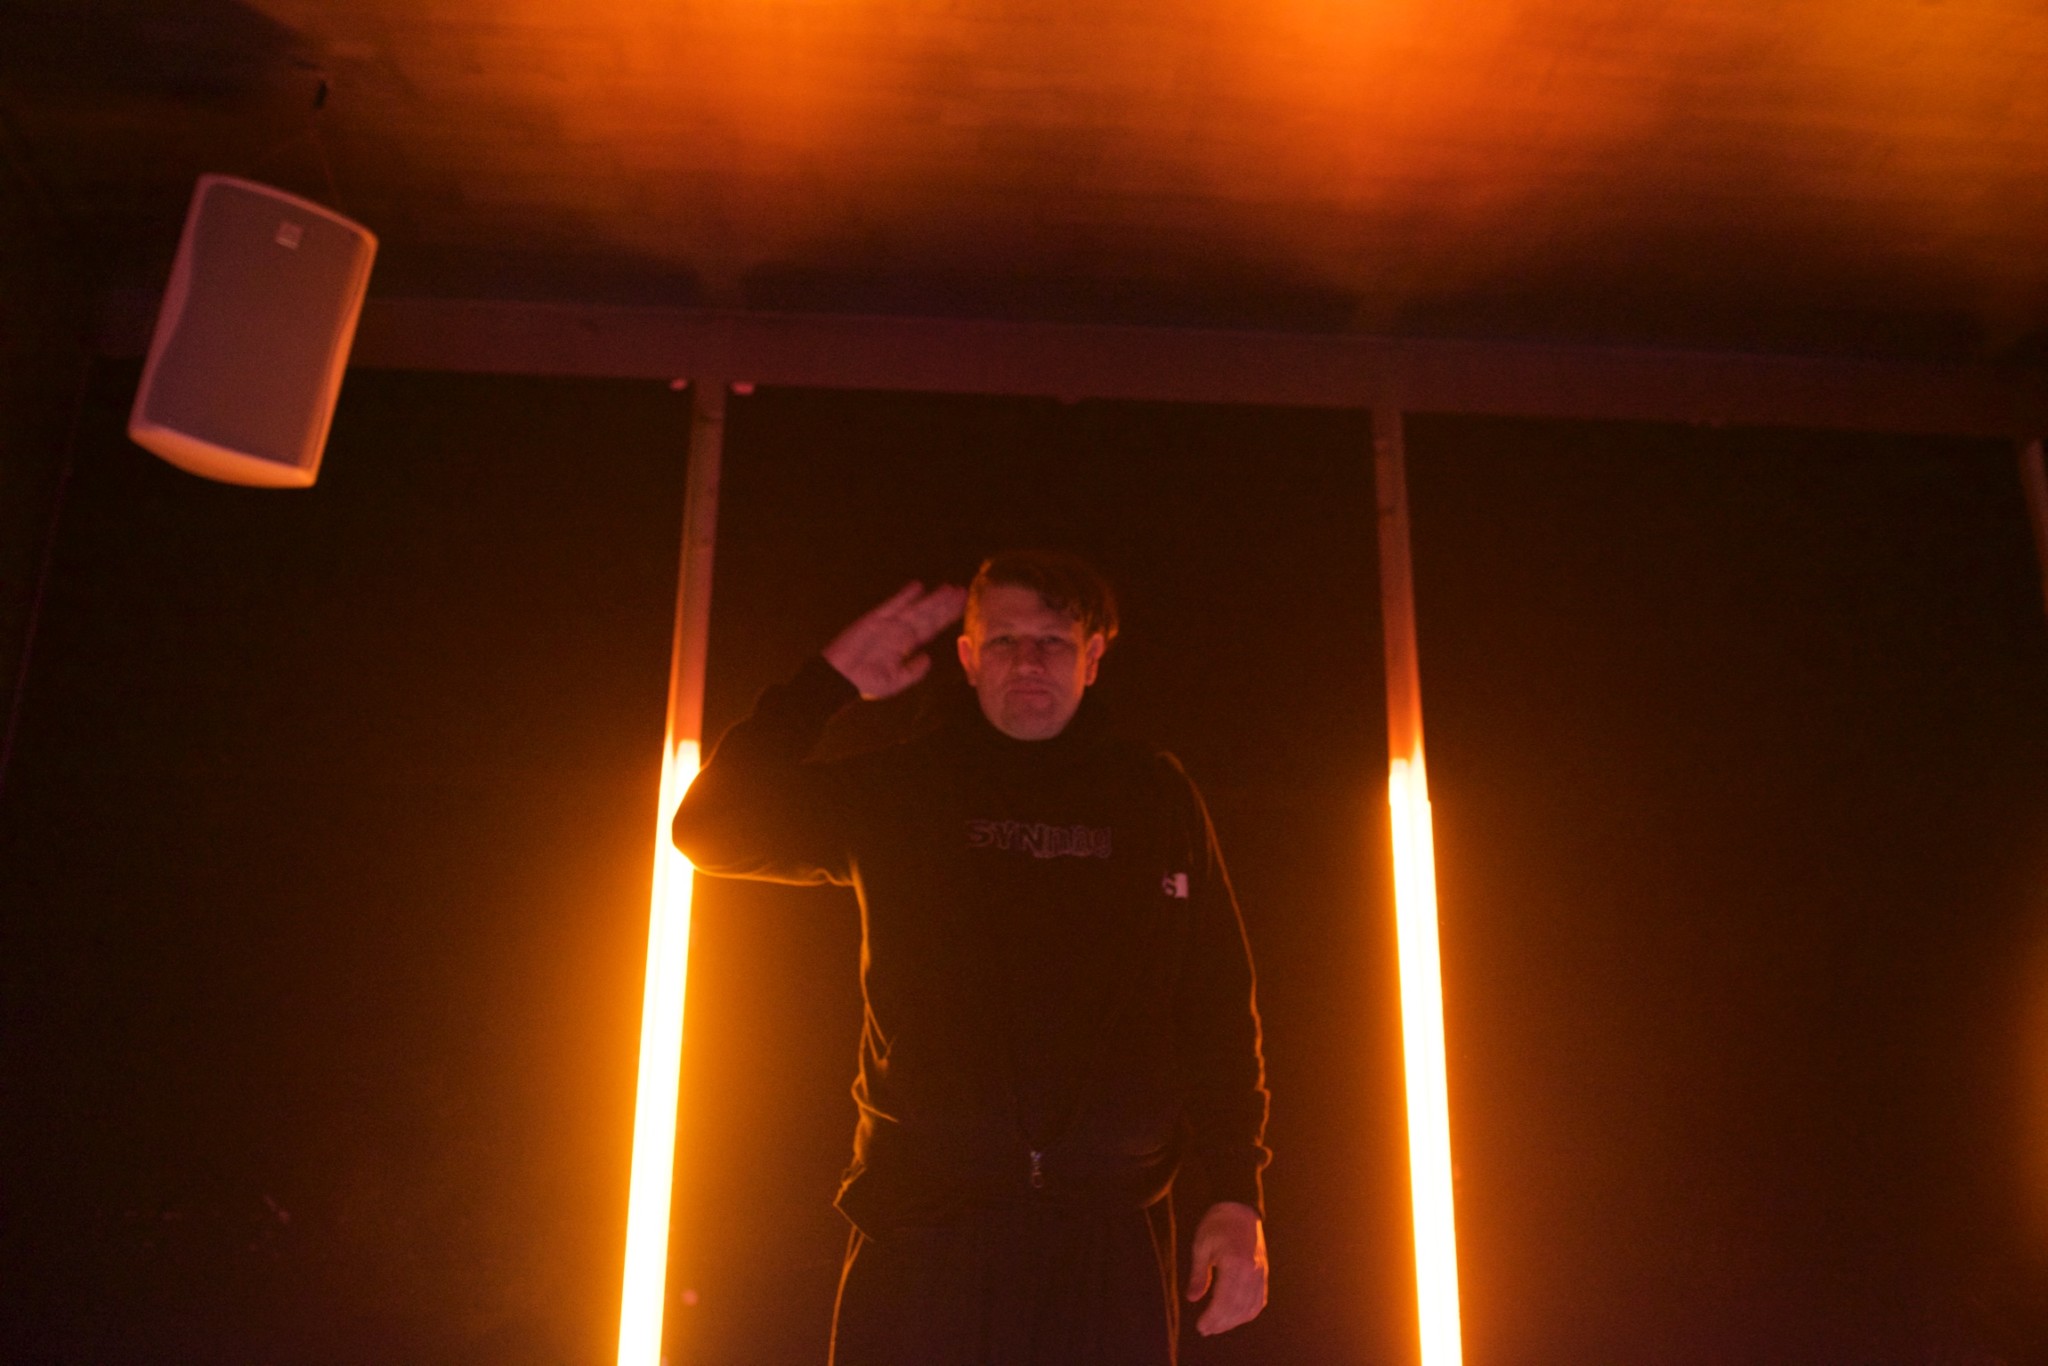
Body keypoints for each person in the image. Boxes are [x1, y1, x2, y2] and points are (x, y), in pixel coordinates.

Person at [672, 550, 1269, 1366]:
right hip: (924, 1234)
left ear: (1094, 656)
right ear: (967, 656)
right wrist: (827, 683)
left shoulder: (1155, 798)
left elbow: (1216, 1007)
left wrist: (1236, 1192)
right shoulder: (905, 790)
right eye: (1004, 642)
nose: (1028, 662)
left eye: (1053, 642)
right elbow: (709, 828)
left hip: (1106, 1238)